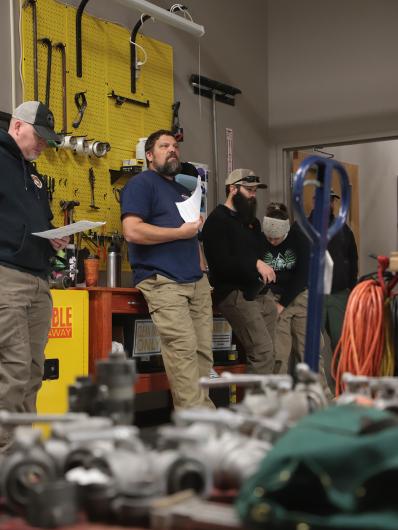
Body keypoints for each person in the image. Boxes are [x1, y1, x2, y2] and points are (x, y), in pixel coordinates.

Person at [121, 129, 214, 409]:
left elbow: (191, 235)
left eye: (174, 146)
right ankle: (197, 430)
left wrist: (202, 267)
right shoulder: (141, 184)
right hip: (164, 281)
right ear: (149, 155)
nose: (172, 149)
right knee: (183, 352)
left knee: (202, 355)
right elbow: (132, 231)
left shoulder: (183, 189)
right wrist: (179, 233)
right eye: (164, 146)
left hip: (195, 281)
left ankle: (203, 421)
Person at [0, 100, 69, 451]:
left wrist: (55, 234)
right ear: (16, 126)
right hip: (7, 279)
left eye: (47, 139)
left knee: (31, 373)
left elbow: (36, 224)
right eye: (38, 136)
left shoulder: (36, 177)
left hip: (39, 281)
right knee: (11, 372)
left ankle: (21, 455)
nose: (43, 144)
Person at [202, 168, 277, 374]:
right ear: (233, 189)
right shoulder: (217, 220)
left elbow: (261, 252)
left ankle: (272, 402)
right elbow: (222, 264)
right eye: (249, 190)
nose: (253, 195)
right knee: (262, 351)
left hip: (259, 292)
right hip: (235, 294)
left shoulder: (251, 222)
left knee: (275, 352)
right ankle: (257, 406)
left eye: (255, 191)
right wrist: (254, 263)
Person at [310, 190, 358, 366]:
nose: (328, 204)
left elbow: (353, 259)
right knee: (312, 346)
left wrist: (352, 290)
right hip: (314, 296)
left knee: (342, 344)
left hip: (339, 295)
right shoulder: (304, 227)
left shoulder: (343, 228)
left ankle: (342, 389)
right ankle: (316, 390)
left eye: (330, 201)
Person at [262, 202, 311, 374]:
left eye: (277, 238)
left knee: (309, 354)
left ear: (286, 232)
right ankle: (279, 399)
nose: (273, 242)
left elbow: (302, 276)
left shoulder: (300, 239)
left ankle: (319, 397)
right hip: (273, 297)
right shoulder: (261, 240)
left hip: (299, 295)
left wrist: (282, 305)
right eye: (269, 238)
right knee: (279, 355)